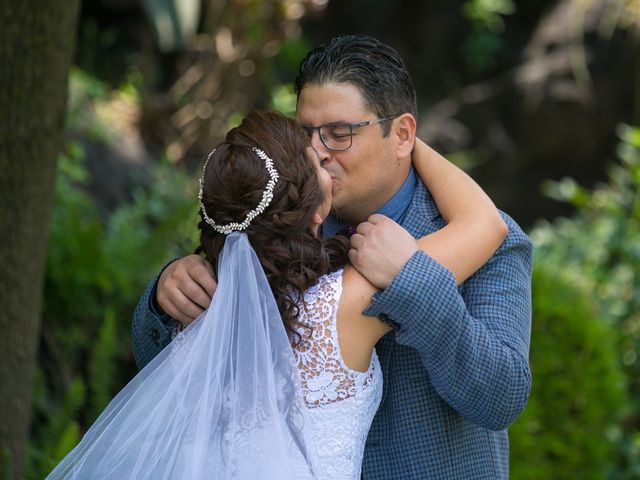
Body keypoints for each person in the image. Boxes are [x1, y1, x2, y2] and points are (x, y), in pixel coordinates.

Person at [133, 35, 533, 479]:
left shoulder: (490, 244)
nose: (318, 152)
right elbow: (173, 377)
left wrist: (414, 279)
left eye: (339, 135)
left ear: (402, 134)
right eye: (305, 134)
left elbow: (503, 398)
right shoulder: (279, 219)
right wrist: (165, 297)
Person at [49, 110, 505, 480]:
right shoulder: (348, 307)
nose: (327, 156)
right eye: (316, 155)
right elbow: (485, 224)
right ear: (316, 210)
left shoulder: (202, 312)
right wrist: (402, 139)